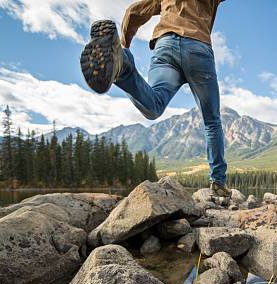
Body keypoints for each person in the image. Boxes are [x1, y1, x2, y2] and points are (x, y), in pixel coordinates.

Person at [80, 0, 231, 197]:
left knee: (154, 106)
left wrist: (124, 44)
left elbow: (133, 12)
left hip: (165, 46)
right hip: (198, 48)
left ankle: (122, 63)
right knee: (211, 121)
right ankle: (218, 182)